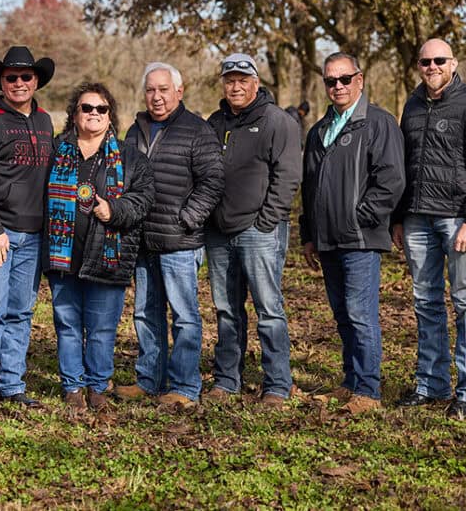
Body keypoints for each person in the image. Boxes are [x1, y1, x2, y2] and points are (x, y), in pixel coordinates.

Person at [300, 52, 404, 415]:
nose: (338, 86)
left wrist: (362, 217)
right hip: (327, 239)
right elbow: (310, 187)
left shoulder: (378, 122)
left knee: (362, 314)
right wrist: (308, 234)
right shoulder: (318, 130)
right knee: (343, 314)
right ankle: (350, 381)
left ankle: (369, 390)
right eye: (331, 81)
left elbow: (391, 180)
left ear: (359, 80)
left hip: (359, 238)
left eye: (345, 79)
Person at [115, 63, 224, 407]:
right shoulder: (135, 130)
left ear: (179, 91)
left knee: (185, 317)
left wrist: (188, 218)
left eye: (163, 89)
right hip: (143, 240)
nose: (157, 96)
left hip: (179, 241)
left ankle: (184, 386)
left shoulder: (196, 130)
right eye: (151, 90)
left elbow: (213, 180)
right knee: (146, 314)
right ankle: (149, 378)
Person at [44, 82, 153, 411]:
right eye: (86, 108)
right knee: (67, 325)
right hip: (63, 256)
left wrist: (114, 211)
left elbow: (144, 198)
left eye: (101, 109)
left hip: (107, 256)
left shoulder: (130, 157)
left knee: (103, 327)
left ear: (110, 116)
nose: (93, 114)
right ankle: (73, 387)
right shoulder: (56, 150)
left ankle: (97, 385)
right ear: (74, 114)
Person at [392, 38, 466, 419]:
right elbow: (402, 164)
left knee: (465, 302)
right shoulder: (411, 105)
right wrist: (397, 217)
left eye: (439, 60)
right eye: (425, 61)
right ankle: (431, 385)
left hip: (456, 220)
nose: (432, 66)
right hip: (416, 218)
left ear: (453, 63)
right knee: (426, 303)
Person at [205, 53, 301, 406]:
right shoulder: (215, 122)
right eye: (230, 80)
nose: (236, 86)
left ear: (256, 84)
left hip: (259, 229)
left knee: (268, 308)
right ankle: (227, 378)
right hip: (218, 232)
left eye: (243, 80)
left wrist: (266, 220)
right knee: (227, 309)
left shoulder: (277, 121)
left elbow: (289, 175)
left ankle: (277, 383)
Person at [0, 46, 55, 411]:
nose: (19, 83)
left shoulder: (46, 121)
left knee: (21, 312)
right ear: (1, 82)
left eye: (25, 77)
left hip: (33, 235)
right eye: (11, 77)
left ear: (36, 81)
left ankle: (12, 383)